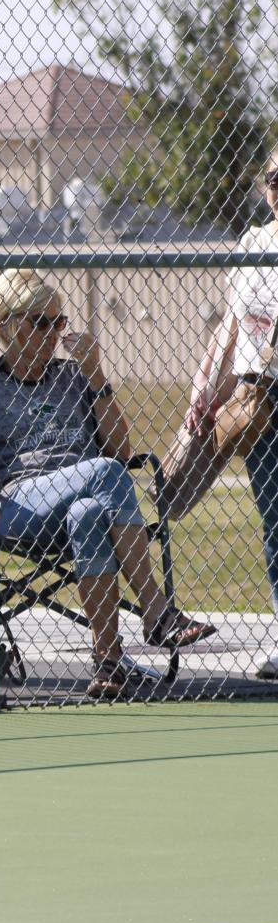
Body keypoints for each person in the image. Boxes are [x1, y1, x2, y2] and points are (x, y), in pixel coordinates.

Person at [0, 268, 214, 700]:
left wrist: (96, 375)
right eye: (40, 322)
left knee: (90, 512)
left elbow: (120, 449)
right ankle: (157, 611)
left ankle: (108, 660)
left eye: (58, 322)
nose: (52, 332)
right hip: (17, 504)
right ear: (6, 326)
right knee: (103, 474)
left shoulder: (73, 375)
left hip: (83, 496)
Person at [182, 143, 278, 680]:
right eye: (273, 177)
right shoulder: (252, 244)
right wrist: (206, 390)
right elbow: (232, 328)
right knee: (276, 519)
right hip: (258, 397)